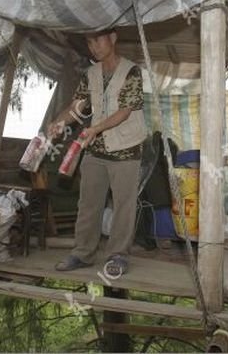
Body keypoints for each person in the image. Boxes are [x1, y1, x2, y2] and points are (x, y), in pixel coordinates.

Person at [47, 28, 147, 276]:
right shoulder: (90, 74)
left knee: (124, 206)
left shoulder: (131, 71)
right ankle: (83, 253)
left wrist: (96, 128)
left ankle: (118, 255)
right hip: (96, 150)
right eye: (89, 42)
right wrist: (59, 122)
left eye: (98, 40)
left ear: (113, 39)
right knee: (88, 204)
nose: (94, 47)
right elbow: (77, 107)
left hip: (126, 150)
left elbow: (125, 111)